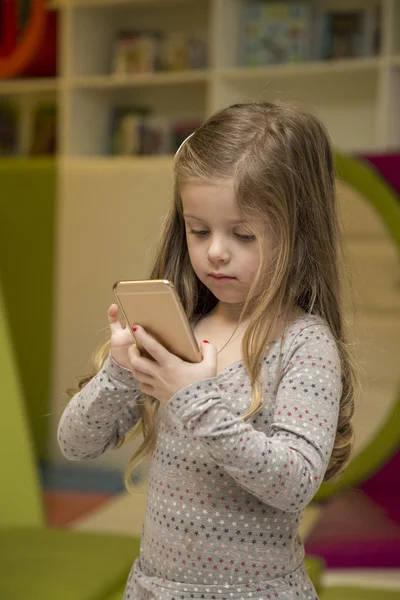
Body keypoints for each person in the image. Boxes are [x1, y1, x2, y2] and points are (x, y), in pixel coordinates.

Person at [58, 101, 357, 600]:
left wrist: (195, 399)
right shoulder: (185, 326)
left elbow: (296, 482)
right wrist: (119, 370)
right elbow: (76, 444)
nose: (216, 250)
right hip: (156, 588)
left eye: (242, 234)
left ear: (298, 234)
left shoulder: (305, 345)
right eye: (199, 230)